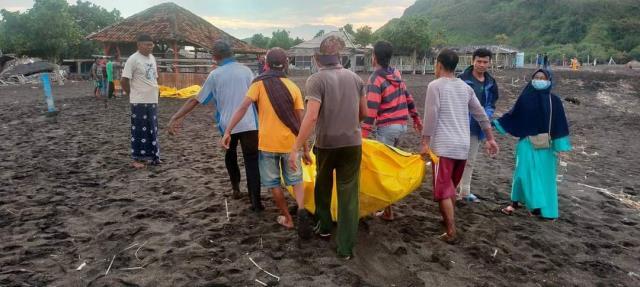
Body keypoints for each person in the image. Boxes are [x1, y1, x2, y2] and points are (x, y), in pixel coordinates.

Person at [288, 35, 367, 259]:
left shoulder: (315, 80)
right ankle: (345, 248)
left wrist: (295, 147)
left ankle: (324, 227)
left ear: (317, 58)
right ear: (340, 57)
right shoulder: (356, 79)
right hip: (352, 144)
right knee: (348, 195)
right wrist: (350, 125)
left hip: (326, 143)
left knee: (323, 184)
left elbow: (311, 117)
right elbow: (365, 113)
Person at [222, 47, 313, 238]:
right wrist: (304, 149)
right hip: (291, 145)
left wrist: (228, 130)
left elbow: (242, 108)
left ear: (266, 64)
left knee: (274, 184)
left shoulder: (258, 85)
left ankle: (287, 218)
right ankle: (302, 210)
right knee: (296, 181)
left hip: (267, 145)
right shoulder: (293, 86)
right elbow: (300, 122)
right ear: (286, 64)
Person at [168, 40, 264, 212]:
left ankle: (235, 188)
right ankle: (255, 201)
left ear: (215, 56)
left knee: (230, 155)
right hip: (249, 123)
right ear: (231, 53)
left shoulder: (215, 75)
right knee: (251, 160)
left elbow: (195, 100)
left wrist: (176, 116)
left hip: (228, 125)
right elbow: (257, 98)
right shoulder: (246, 71)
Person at [420, 49, 499, 243]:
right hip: (462, 146)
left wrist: (425, 142)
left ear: (438, 64)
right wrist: (490, 138)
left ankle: (450, 230)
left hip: (444, 147)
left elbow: (431, 116)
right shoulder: (465, 87)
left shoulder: (435, 86)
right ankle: (448, 221)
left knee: (442, 191)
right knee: (450, 188)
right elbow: (481, 114)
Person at [497, 69, 571, 220]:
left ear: (549, 80)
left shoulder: (554, 101)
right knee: (522, 174)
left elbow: (559, 123)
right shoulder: (525, 98)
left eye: (542, 78)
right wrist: (498, 122)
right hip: (526, 142)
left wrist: (560, 146)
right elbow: (514, 115)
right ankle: (518, 203)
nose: (539, 80)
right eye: (536, 77)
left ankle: (539, 208)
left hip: (546, 146)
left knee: (544, 177)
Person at [361, 40, 423, 220]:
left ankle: (387, 211)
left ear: (374, 57)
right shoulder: (396, 74)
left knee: (382, 170)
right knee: (389, 165)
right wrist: (416, 118)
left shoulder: (375, 79)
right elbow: (408, 96)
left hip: (387, 128)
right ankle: (388, 210)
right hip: (401, 126)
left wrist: (363, 134)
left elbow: (371, 109)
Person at [457, 48, 500, 203]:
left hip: (478, 127)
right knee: (455, 159)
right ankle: (450, 189)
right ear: (472, 61)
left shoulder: (491, 83)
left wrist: (485, 116)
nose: (481, 65)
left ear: (489, 63)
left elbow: (491, 104)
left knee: (470, 160)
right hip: (460, 125)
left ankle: (465, 192)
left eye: (485, 62)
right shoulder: (461, 79)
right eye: (479, 61)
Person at [121, 34, 160, 168]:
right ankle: (137, 159)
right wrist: (131, 95)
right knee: (139, 130)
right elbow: (124, 80)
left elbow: (154, 78)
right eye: (147, 44)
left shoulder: (152, 58)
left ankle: (153, 156)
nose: (150, 47)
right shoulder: (133, 59)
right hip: (139, 101)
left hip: (152, 100)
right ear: (139, 45)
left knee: (152, 130)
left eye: (152, 44)